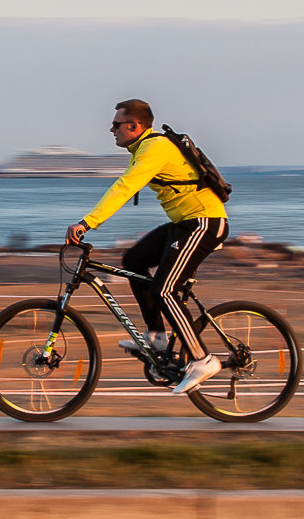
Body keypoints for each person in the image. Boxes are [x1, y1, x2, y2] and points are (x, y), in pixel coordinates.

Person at [65, 99, 229, 395]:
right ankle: (157, 338)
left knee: (165, 290)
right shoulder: (143, 148)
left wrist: (87, 223)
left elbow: (124, 187)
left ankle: (203, 359)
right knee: (133, 260)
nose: (111, 129)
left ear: (135, 126)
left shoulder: (155, 148)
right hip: (185, 223)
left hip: (204, 223)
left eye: (116, 124)